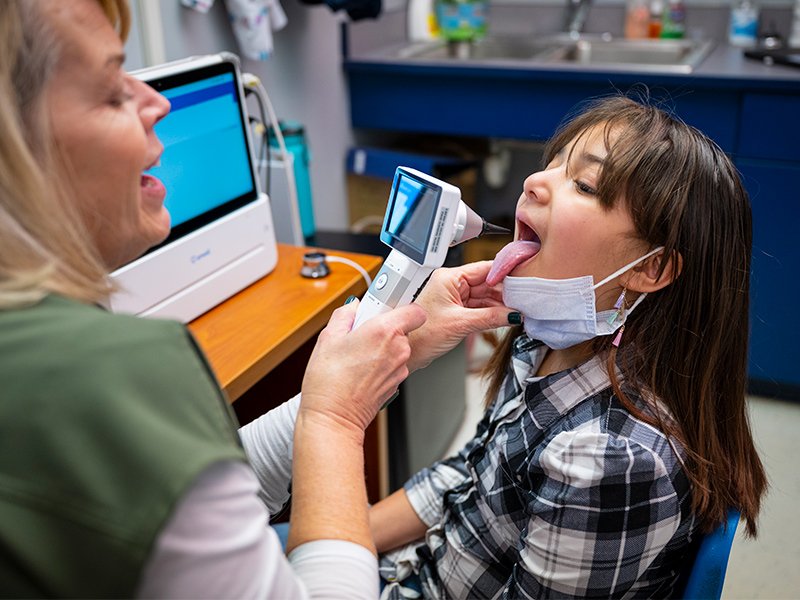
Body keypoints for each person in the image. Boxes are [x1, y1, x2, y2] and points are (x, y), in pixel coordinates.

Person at [0, 0, 515, 597]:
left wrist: (351, 384)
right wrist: (335, 420)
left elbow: (185, 487)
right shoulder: (109, 373)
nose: (158, 104)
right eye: (113, 93)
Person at [371, 95, 768, 598]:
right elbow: (471, 474)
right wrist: (348, 538)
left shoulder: (608, 459)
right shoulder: (543, 346)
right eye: (553, 165)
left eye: (583, 184)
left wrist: (334, 418)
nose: (533, 182)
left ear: (652, 269)